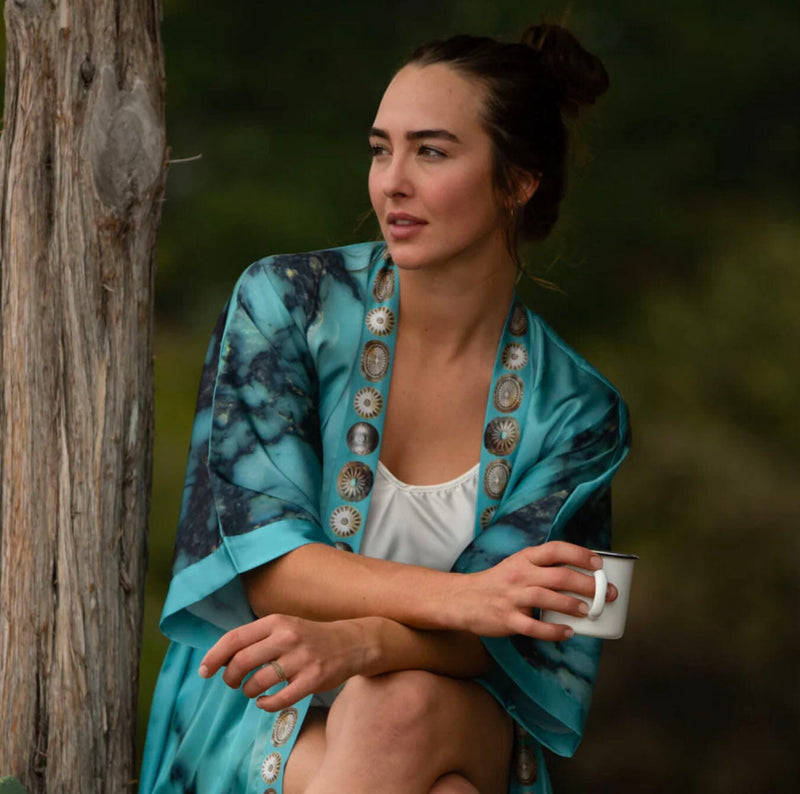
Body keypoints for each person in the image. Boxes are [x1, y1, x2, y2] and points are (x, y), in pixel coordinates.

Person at [139, 21, 630, 794]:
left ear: (517, 182)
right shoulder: (285, 305)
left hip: (453, 713)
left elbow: (544, 634)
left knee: (397, 705)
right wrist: (469, 597)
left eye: (430, 152)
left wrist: (367, 643)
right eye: (380, 150)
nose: (391, 182)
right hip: (259, 703)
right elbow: (267, 565)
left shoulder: (581, 412)